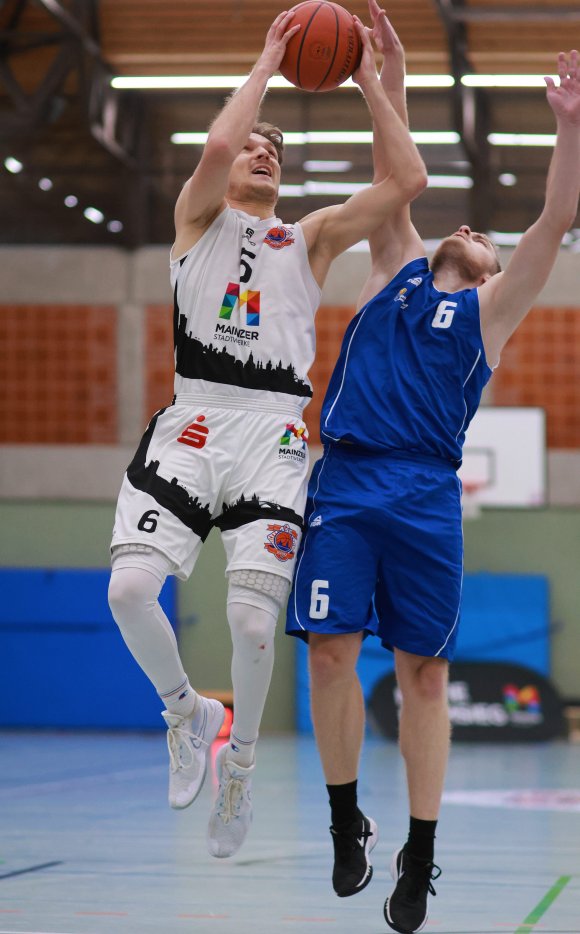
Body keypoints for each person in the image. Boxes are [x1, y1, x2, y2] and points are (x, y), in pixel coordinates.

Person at [108, 7, 427, 861]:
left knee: (253, 625)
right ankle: (187, 714)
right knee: (129, 594)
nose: (263, 152)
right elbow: (216, 150)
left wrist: (370, 85)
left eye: (276, 151)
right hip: (193, 416)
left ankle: (239, 764)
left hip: (277, 432)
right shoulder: (199, 216)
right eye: (258, 143)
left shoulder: (311, 237)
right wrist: (266, 63)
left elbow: (406, 182)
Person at [286, 0, 580, 925]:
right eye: (469, 227)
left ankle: (421, 851)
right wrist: (388, 75)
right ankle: (346, 823)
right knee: (330, 653)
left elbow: (557, 215)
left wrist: (569, 126)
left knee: (422, 675)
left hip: (421, 492)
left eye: (486, 236)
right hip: (345, 476)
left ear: (491, 268)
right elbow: (395, 174)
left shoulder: (491, 312)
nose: (472, 229)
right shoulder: (393, 265)